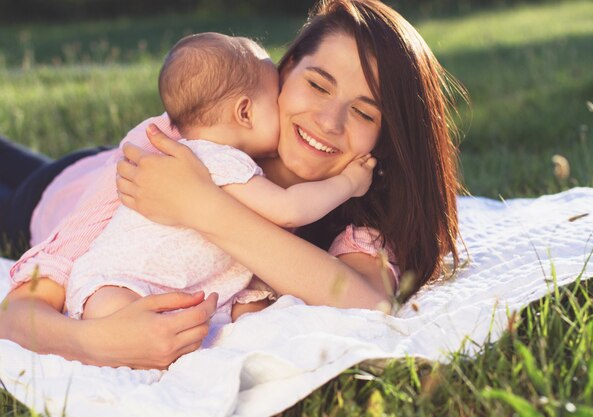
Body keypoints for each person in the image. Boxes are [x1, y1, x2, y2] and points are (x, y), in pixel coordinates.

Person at [0, 0, 461, 370]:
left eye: (364, 112)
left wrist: (203, 208)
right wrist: (95, 343)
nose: (328, 122)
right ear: (288, 69)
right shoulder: (173, 142)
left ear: (389, 135)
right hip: (52, 194)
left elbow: (368, 301)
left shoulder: (358, 203)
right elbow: (19, 314)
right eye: (318, 85)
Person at [68, 32, 375, 320]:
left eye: (364, 113)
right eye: (275, 97)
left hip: (121, 283)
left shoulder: (189, 150)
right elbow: (290, 209)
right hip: (77, 210)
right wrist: (349, 182)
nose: (328, 123)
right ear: (244, 112)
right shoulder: (221, 161)